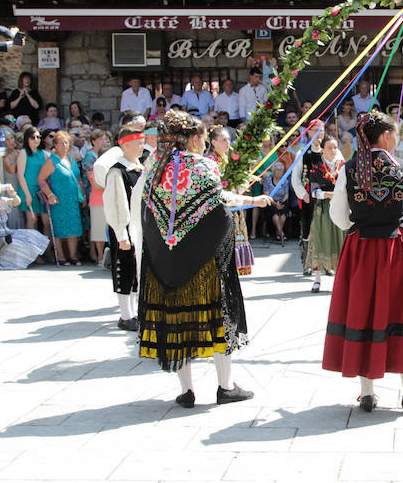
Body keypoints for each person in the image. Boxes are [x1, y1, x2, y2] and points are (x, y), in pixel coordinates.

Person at [132, 110, 272, 408]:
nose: (205, 142)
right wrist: (252, 200)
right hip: (203, 261)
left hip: (166, 262)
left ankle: (186, 391)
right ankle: (225, 386)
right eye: (204, 137)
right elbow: (219, 205)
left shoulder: (154, 169)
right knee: (218, 317)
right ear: (194, 138)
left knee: (178, 322)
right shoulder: (204, 166)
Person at [324, 111, 403, 414]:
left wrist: (357, 228)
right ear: (385, 136)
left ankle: (368, 393)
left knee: (363, 312)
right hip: (396, 248)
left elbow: (338, 215)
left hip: (361, 248)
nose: (396, 137)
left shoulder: (349, 168)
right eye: (394, 133)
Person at [103, 126, 146, 331]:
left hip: (138, 227)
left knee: (136, 270)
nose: (142, 146)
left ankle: (135, 311)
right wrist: (121, 233)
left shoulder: (139, 168)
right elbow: (114, 204)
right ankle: (125, 315)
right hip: (125, 228)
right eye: (138, 142)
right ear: (125, 144)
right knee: (124, 270)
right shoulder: (117, 171)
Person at [207, 125, 255, 277]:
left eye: (229, 139)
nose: (228, 143)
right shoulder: (210, 161)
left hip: (234, 205)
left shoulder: (229, 159)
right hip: (219, 207)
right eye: (223, 140)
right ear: (213, 142)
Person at [304, 135, 346, 292]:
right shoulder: (317, 167)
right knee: (321, 241)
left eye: (335, 147)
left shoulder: (343, 166)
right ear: (322, 150)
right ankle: (317, 279)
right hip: (324, 209)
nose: (333, 150)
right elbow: (313, 191)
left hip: (341, 208)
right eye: (329, 147)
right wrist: (327, 194)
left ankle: (341, 280)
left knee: (341, 242)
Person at [37, 131, 85, 265]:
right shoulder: (52, 161)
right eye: (61, 143)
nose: (64, 145)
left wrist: (83, 195)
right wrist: (50, 194)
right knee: (59, 228)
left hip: (73, 199)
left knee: (74, 228)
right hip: (59, 199)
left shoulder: (71, 159)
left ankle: (73, 256)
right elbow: (41, 179)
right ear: (55, 145)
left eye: (66, 142)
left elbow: (79, 178)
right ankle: (62, 256)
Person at [291, 121, 325, 274]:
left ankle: (325, 263)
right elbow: (295, 178)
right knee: (308, 228)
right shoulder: (302, 153)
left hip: (326, 196)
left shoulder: (330, 150)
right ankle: (307, 262)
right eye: (316, 130)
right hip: (308, 197)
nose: (319, 133)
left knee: (325, 228)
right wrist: (302, 194)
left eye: (322, 130)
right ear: (309, 132)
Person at [0, 185, 49, 270]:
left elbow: (17, 202)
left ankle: (36, 258)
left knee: (32, 235)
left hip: (5, 232)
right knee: (15, 245)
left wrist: (13, 194)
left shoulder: (0, 201)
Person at [15, 126, 50, 238]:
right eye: (33, 137)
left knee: (46, 222)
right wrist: (27, 195)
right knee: (32, 221)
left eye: (38, 137)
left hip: (41, 190)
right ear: (27, 139)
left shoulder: (43, 153)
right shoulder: (23, 153)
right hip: (28, 189)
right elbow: (20, 175)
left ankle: (47, 251)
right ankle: (33, 254)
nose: (36, 139)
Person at [83, 130, 110, 266]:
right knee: (98, 230)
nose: (103, 141)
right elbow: (94, 182)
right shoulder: (92, 159)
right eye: (100, 139)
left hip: (108, 201)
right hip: (97, 200)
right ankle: (98, 257)